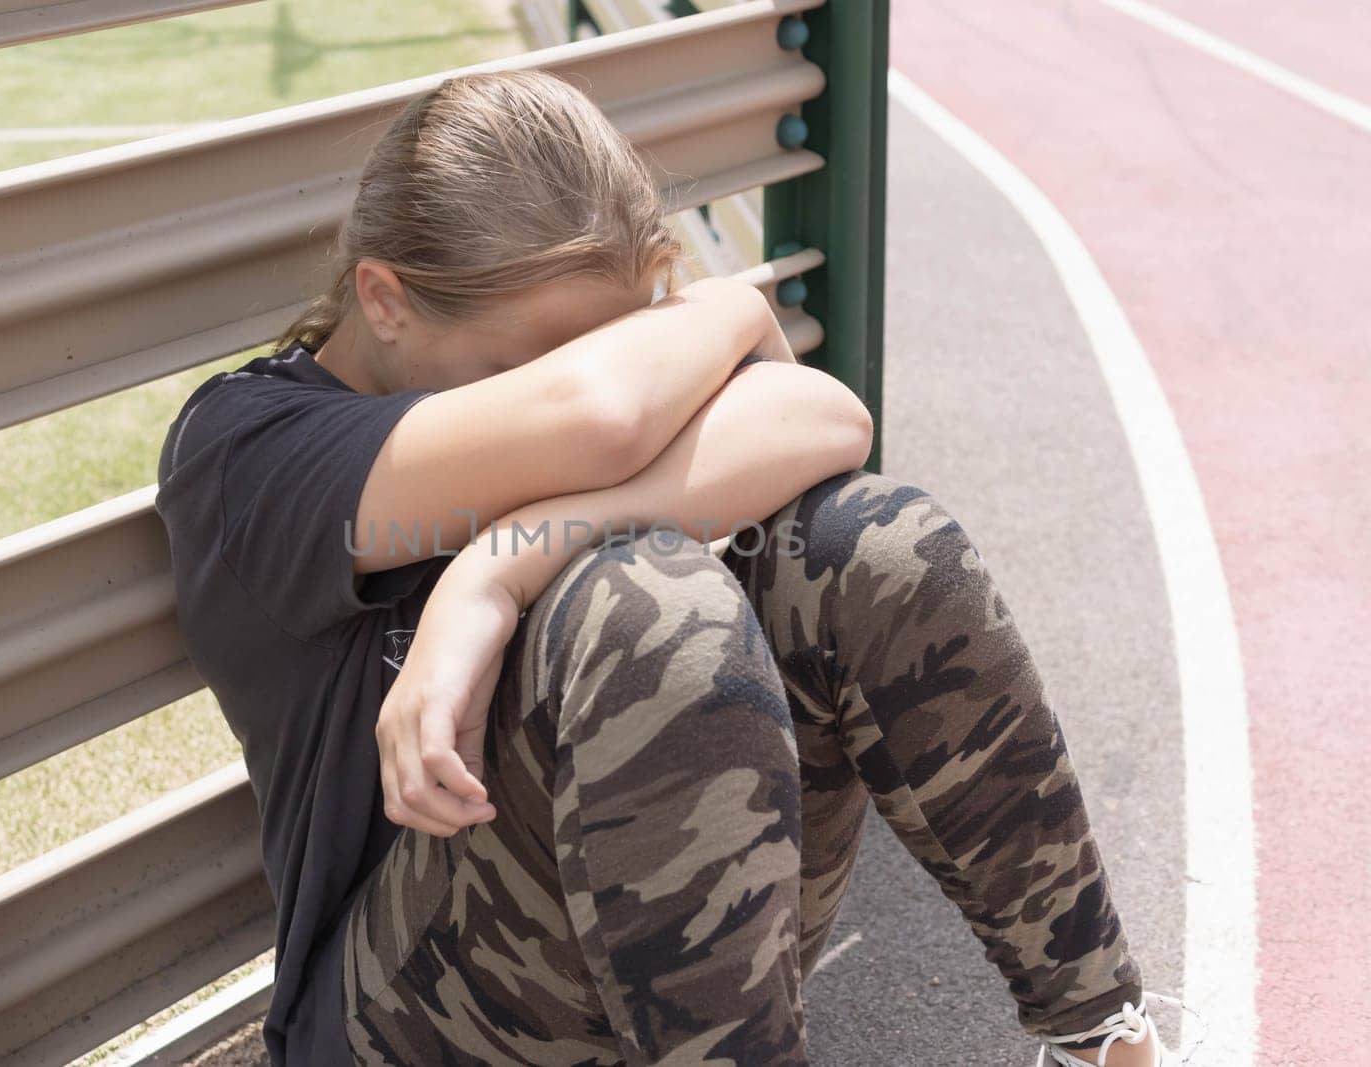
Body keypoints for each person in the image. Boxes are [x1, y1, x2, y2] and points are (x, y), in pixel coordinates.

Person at [156, 70, 1184, 1067]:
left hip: (680, 941)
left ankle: (1108, 1035)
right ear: (383, 298)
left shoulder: (581, 383)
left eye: (625, 344)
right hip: (408, 1013)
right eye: (521, 367)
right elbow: (601, 415)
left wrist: (498, 566)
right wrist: (727, 314)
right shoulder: (248, 452)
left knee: (871, 541)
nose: (607, 386)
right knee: (648, 604)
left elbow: (828, 418)